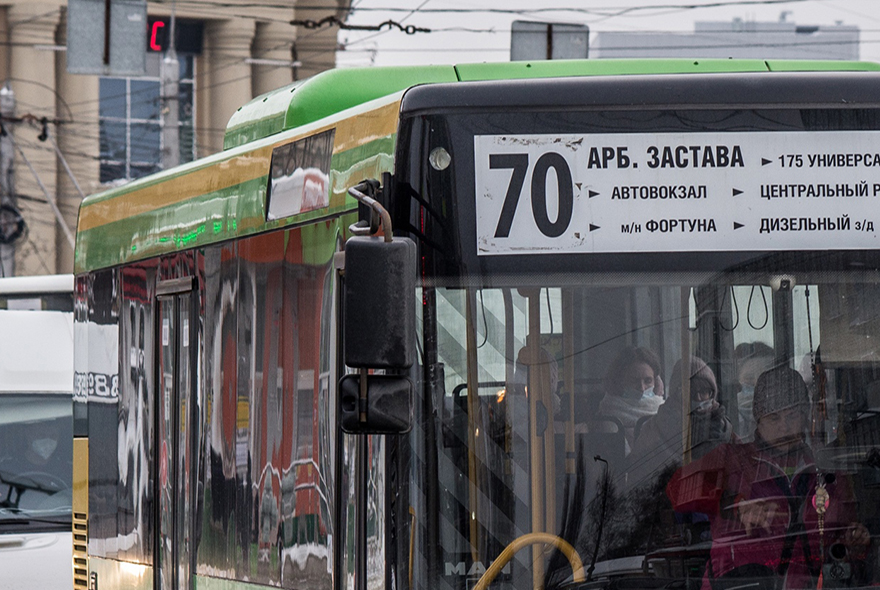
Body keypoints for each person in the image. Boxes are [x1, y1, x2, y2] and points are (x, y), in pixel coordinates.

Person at [666, 366, 870, 590]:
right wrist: (735, 505)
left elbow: (841, 537)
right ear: (758, 420)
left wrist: (854, 543)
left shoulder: (826, 471)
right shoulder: (731, 459)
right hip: (740, 584)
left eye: (792, 415)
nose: (784, 426)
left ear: (805, 415)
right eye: (774, 418)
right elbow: (676, 490)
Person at [629, 356, 733, 489]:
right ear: (676, 392)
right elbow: (637, 480)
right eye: (690, 391)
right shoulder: (652, 429)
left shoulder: (726, 430)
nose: (698, 397)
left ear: (712, 394)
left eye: (704, 391)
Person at [598, 346, 664, 454]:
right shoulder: (608, 418)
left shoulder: (664, 411)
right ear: (620, 381)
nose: (642, 388)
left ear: (656, 382)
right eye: (634, 381)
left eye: (648, 381)